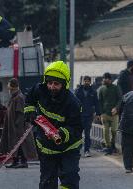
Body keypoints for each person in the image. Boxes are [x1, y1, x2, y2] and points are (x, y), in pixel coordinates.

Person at [24, 61, 82, 189]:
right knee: (47, 182)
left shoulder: (73, 103)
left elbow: (76, 128)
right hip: (47, 147)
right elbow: (29, 99)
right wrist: (30, 112)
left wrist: (61, 133)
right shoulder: (39, 89)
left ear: (64, 84)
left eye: (56, 84)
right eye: (49, 83)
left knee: (69, 178)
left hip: (69, 148)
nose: (52, 87)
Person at [0, 78, 37, 168]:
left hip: (19, 127)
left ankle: (23, 162)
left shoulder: (19, 97)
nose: (8, 88)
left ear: (12, 87)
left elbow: (21, 113)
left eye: (9, 86)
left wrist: (17, 126)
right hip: (13, 126)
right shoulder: (14, 97)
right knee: (14, 144)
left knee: (21, 144)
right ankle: (15, 161)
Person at [75, 75, 100, 157]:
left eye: (88, 81)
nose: (86, 82)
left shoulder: (93, 92)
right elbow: (74, 103)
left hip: (89, 116)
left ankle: (87, 150)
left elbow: (96, 103)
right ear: (83, 82)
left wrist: (98, 114)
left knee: (87, 134)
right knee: (78, 134)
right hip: (79, 116)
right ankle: (77, 150)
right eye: (85, 81)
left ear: (90, 82)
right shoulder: (78, 91)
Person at [98, 72, 122, 155]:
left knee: (114, 130)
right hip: (105, 114)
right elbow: (99, 101)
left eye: (107, 78)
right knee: (106, 131)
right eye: (104, 78)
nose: (105, 80)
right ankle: (108, 147)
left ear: (110, 80)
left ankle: (112, 144)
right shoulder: (101, 89)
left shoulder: (116, 88)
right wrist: (101, 113)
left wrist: (116, 108)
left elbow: (120, 99)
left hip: (114, 114)